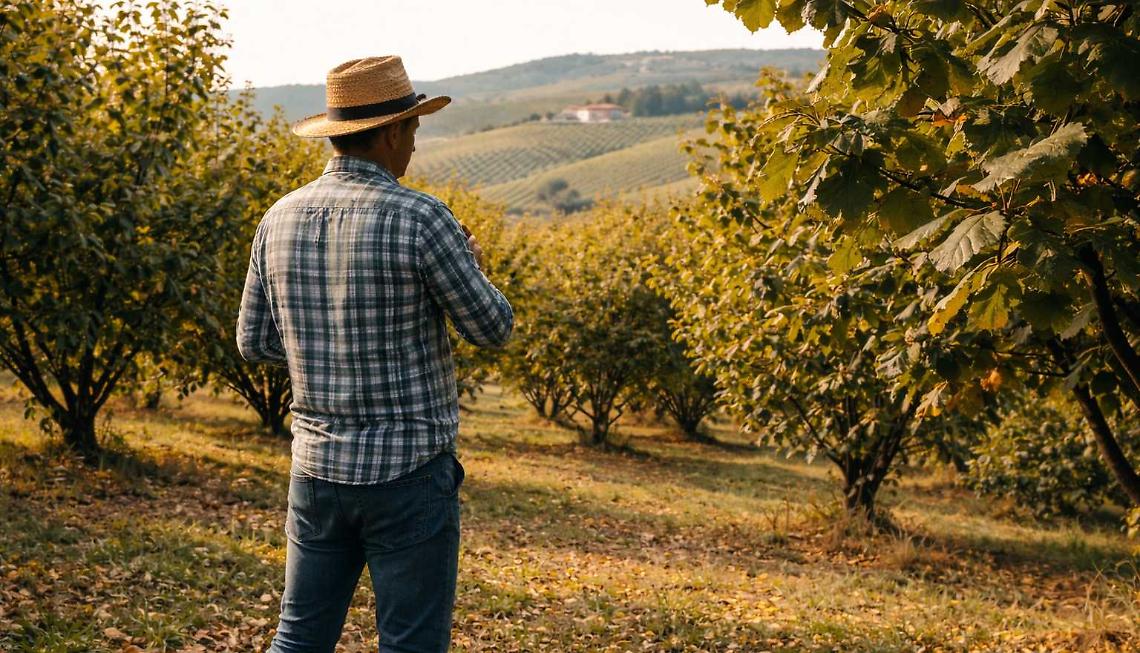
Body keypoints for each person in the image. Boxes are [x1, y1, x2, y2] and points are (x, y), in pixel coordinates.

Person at [236, 55, 514, 653]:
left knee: (299, 638)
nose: (413, 145)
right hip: (409, 469)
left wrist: (325, 339)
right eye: (412, 129)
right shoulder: (422, 218)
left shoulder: (277, 218)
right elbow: (492, 327)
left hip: (316, 468)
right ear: (391, 132)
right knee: (411, 642)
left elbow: (253, 341)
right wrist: (472, 268)